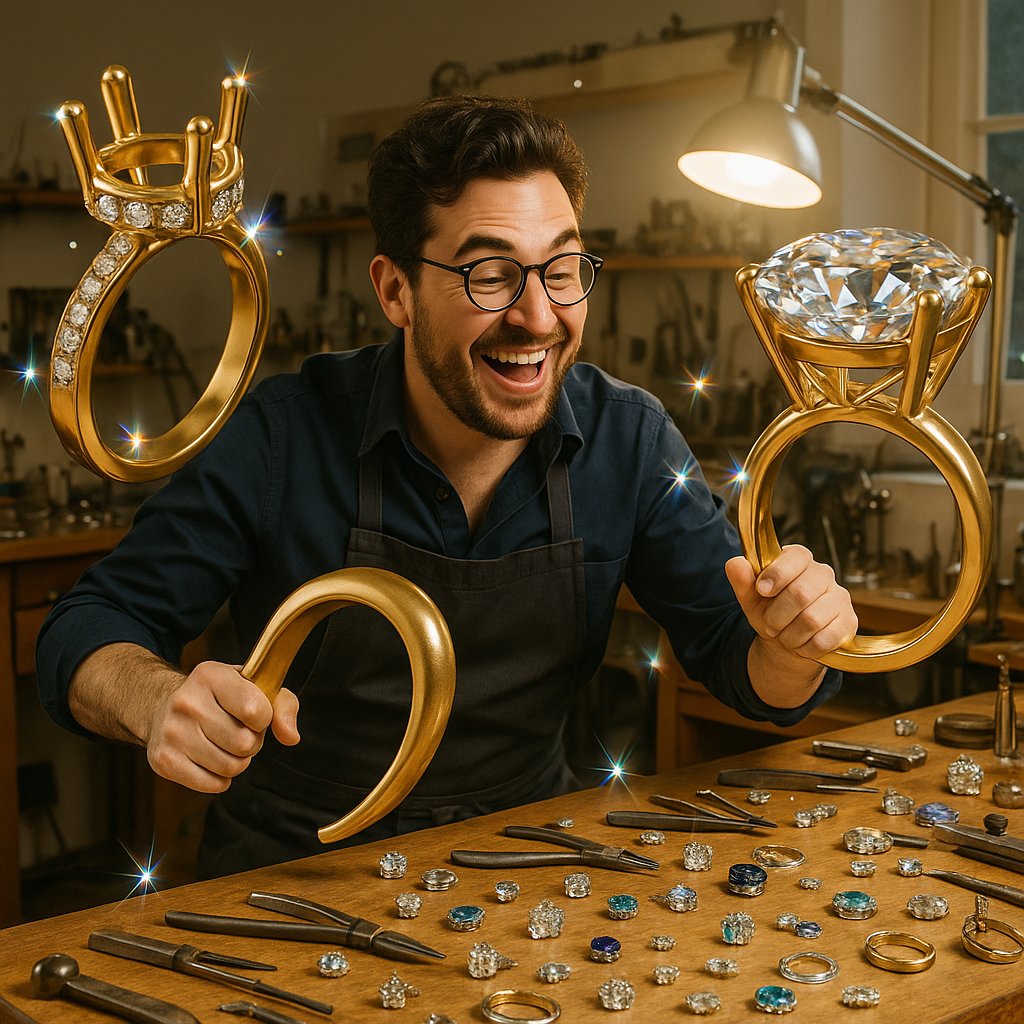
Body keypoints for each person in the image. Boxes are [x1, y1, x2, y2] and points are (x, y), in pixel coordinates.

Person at [37, 95, 857, 878]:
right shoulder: (285, 434)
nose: (539, 317)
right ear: (396, 290)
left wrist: (790, 648)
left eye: (563, 269)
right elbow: (84, 629)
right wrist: (156, 699)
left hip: (529, 871)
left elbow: (742, 666)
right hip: (290, 884)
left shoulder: (628, 441)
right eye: (491, 274)